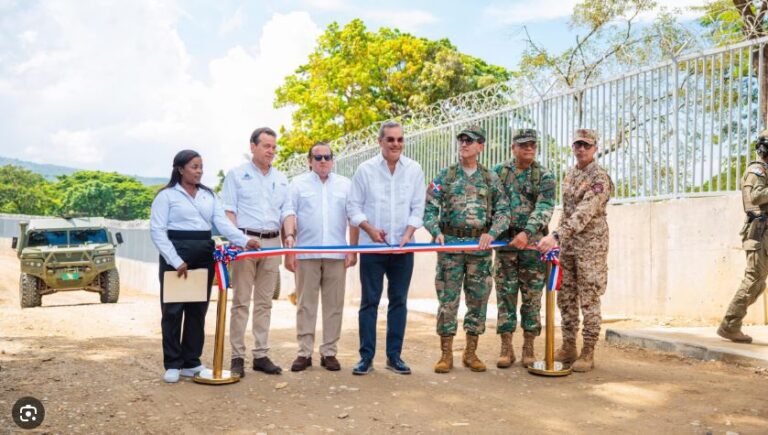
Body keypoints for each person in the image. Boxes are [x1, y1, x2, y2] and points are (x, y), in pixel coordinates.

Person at [150, 150, 258, 383]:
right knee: (173, 310)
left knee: (197, 310)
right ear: (180, 169)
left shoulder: (209, 196)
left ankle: (191, 362)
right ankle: (172, 363)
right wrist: (175, 260)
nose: (199, 171)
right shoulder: (166, 196)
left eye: (201, 167)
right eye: (194, 166)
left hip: (203, 253)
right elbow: (157, 231)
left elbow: (221, 224)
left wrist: (244, 240)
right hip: (177, 255)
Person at [424, 125, 510, 373]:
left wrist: (492, 233)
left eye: (470, 141)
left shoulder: (489, 178)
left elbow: (503, 211)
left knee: (477, 300)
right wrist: (435, 231)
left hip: (479, 251)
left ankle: (471, 353)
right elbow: (429, 207)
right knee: (447, 302)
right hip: (450, 248)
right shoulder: (446, 176)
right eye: (461, 140)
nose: (464, 144)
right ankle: (446, 354)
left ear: (480, 147)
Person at [347, 120, 426, 375]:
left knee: (399, 302)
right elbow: (353, 207)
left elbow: (418, 207)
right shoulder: (365, 170)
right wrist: (369, 229)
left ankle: (394, 357)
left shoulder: (413, 169)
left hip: (403, 248)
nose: (396, 144)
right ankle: (366, 357)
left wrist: (409, 232)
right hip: (372, 248)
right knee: (369, 302)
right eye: (390, 139)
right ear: (380, 141)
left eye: (400, 139)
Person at [538, 128, 612, 373]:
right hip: (568, 246)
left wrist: (557, 235)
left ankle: (588, 350)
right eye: (578, 145)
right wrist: (557, 238)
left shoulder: (600, 178)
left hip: (591, 247)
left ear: (595, 149)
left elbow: (585, 212)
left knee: (589, 297)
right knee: (566, 297)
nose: (581, 149)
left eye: (586, 145)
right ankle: (569, 345)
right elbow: (567, 211)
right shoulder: (570, 174)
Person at [221, 127, 293, 377]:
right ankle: (237, 356)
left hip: (273, 243)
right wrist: (238, 240)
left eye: (274, 147)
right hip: (244, 242)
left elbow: (287, 212)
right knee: (241, 301)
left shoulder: (282, 179)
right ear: (252, 147)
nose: (271, 151)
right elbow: (228, 211)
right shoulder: (236, 175)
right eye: (266, 146)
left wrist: (290, 237)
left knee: (265, 302)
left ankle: (261, 354)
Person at [282, 142, 359, 372]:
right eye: (318, 158)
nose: (323, 161)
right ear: (309, 161)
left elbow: (353, 216)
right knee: (306, 304)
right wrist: (289, 244)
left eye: (327, 157)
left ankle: (329, 352)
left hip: (336, 253)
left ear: (332, 160)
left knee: (334, 304)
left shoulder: (345, 185)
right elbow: (289, 213)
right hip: (306, 253)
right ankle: (304, 352)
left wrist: (352, 249)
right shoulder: (297, 184)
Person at [493, 128, 555, 368]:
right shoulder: (499, 173)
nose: (529, 148)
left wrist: (526, 232)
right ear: (513, 148)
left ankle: (529, 346)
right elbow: (495, 204)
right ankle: (506, 347)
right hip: (506, 246)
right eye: (523, 145)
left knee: (532, 298)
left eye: (532, 144)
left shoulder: (544, 175)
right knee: (505, 296)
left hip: (532, 247)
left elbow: (544, 208)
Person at [717, 130, 768, 343]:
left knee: (757, 283)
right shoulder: (756, 171)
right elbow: (756, 197)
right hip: (758, 233)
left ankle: (731, 324)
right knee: (753, 281)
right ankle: (730, 325)